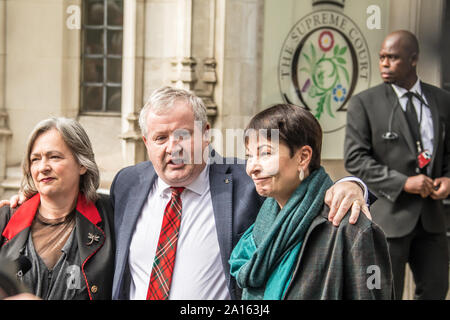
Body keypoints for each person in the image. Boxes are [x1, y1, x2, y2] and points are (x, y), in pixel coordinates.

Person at [110, 86, 373, 300]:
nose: (173, 148)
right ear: (146, 142)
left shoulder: (247, 180)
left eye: (184, 135)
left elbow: (301, 186)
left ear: (206, 135)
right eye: (160, 138)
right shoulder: (127, 183)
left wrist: (351, 184)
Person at [229, 104, 393, 300]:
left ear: (303, 157)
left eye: (265, 153)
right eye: (249, 156)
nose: (251, 168)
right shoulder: (262, 226)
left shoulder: (350, 228)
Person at [344, 30, 450, 299]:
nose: (384, 63)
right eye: (381, 57)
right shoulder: (364, 103)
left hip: (432, 220)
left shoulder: (442, 100)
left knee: (436, 290)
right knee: (383, 292)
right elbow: (355, 159)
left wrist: (448, 179)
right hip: (388, 220)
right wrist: (403, 182)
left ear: (413, 60)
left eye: (392, 57)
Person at [0, 117, 115, 300]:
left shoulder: (112, 216)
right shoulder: (6, 219)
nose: (43, 167)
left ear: (82, 164)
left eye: (54, 157)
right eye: (35, 159)